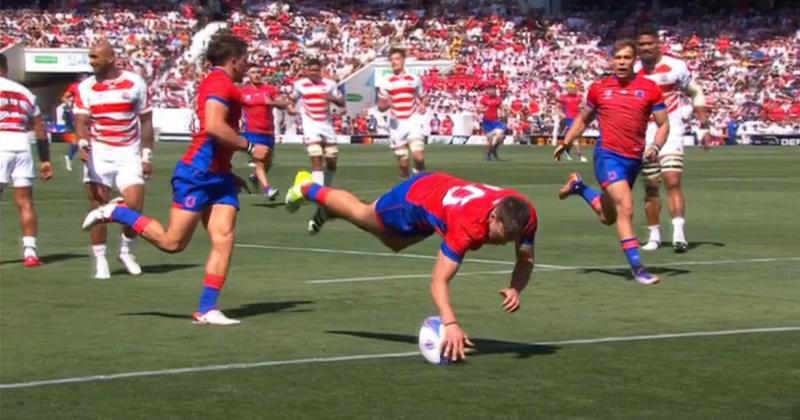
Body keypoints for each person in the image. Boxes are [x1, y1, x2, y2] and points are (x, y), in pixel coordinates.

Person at [81, 33, 270, 325]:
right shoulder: (220, 84)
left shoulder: (222, 83)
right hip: (197, 174)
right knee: (172, 243)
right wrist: (249, 147)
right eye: (245, 60)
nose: (249, 65)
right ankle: (117, 212)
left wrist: (228, 173)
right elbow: (215, 127)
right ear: (233, 61)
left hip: (217, 176)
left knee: (224, 239)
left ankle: (207, 309)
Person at [284, 170, 537, 362]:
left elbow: (525, 258)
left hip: (441, 200)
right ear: (493, 216)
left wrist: (516, 287)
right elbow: (438, 280)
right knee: (364, 216)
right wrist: (450, 323)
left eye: (509, 240)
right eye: (500, 236)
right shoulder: (466, 228)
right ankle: (306, 187)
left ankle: (332, 209)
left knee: (394, 244)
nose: (503, 243)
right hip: (414, 198)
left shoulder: (525, 217)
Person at [554, 38, 669, 285]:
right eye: (617, 58)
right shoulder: (599, 88)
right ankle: (638, 269)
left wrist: (656, 146)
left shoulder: (650, 89)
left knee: (608, 217)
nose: (621, 62)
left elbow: (663, 124)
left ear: (634, 60)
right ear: (612, 60)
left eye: (626, 58)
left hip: (633, 159)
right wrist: (567, 141)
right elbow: (584, 119)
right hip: (607, 156)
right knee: (626, 207)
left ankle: (579, 187)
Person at [74, 40, 154, 279]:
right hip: (99, 153)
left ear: (109, 58)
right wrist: (82, 142)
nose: (91, 62)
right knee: (98, 208)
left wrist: (147, 155)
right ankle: (100, 260)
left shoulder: (134, 82)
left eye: (95, 58)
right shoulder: (86, 87)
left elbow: (146, 121)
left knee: (134, 206)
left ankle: (126, 251)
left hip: (128, 152)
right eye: (90, 58)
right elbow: (81, 121)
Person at [635, 28, 709, 253]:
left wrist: (703, 122)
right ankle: (654, 236)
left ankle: (679, 234)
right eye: (641, 45)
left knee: (672, 179)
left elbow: (695, 91)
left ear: (658, 45)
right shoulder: (633, 70)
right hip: (643, 132)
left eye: (649, 44)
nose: (645, 48)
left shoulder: (675, 66)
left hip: (672, 128)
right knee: (651, 185)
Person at [0, 52, 54, 267]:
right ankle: (30, 252)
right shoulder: (25, 92)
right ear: (6, 69)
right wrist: (45, 159)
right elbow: (40, 127)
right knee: (25, 203)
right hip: (22, 145)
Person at [288, 58, 345, 235]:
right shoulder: (300, 85)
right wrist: (290, 108)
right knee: (315, 155)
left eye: (316, 70)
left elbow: (342, 102)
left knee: (332, 159)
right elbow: (291, 100)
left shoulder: (329, 84)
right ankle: (320, 194)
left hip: (326, 125)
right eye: (311, 70)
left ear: (320, 70)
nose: (314, 73)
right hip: (310, 124)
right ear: (306, 70)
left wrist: (333, 99)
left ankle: (321, 191)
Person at [377, 47, 427, 179]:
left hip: (412, 120)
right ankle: (405, 181)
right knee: (404, 164)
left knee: (419, 157)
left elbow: (424, 97)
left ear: (403, 60)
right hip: (396, 124)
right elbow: (381, 107)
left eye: (397, 59)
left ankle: (420, 183)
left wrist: (423, 105)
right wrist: (387, 103)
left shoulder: (414, 79)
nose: (394, 62)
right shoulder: (386, 81)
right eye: (392, 59)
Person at [240, 67, 288, 200]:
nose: (256, 75)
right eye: (253, 72)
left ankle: (256, 177)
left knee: (268, 162)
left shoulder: (269, 90)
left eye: (258, 72)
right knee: (260, 161)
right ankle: (268, 189)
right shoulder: (243, 93)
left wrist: (271, 102)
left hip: (268, 132)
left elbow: (284, 103)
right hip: (252, 132)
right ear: (248, 75)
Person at [556, 82, 587, 162]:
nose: (573, 90)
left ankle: (566, 151)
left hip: (578, 118)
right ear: (568, 89)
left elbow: (584, 105)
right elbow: (558, 107)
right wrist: (561, 114)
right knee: (575, 136)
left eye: (574, 88)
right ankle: (580, 155)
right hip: (569, 118)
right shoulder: (563, 97)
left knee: (573, 137)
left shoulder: (579, 97)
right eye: (571, 88)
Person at [479, 85, 506, 161]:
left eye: (494, 90)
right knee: (489, 141)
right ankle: (489, 153)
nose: (492, 91)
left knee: (500, 137)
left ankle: (494, 149)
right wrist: (483, 109)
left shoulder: (498, 99)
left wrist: (503, 113)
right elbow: (479, 109)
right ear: (488, 91)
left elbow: (502, 107)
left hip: (496, 121)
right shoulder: (484, 99)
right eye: (491, 90)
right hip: (487, 121)